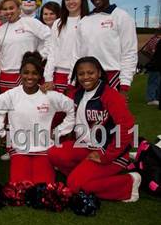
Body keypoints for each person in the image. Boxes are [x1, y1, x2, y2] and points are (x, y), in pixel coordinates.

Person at [48, 56, 141, 202]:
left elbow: (126, 127)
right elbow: (61, 111)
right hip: (86, 146)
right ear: (76, 76)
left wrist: (106, 155)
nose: (86, 77)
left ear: (98, 73)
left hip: (111, 152)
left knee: (73, 185)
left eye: (90, 73)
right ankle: (84, 176)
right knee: (55, 153)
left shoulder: (110, 95)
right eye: (81, 74)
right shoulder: (76, 94)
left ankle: (129, 183)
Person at [0, 52, 75, 184]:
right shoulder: (11, 95)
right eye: (26, 72)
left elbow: (72, 108)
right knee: (20, 189)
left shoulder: (49, 95)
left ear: (40, 76)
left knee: (44, 189)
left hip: (44, 149)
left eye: (34, 73)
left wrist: (59, 132)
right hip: (19, 150)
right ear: (20, 74)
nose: (30, 77)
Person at [70, 0, 138, 96]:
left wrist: (124, 85)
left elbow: (129, 53)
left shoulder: (121, 17)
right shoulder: (84, 21)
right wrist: (72, 81)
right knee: (86, 115)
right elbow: (76, 54)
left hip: (111, 78)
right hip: (86, 79)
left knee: (113, 115)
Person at [0, 0, 51, 93]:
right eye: (5, 9)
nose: (8, 11)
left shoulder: (31, 22)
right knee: (8, 107)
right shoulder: (0, 30)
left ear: (18, 9)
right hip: (6, 76)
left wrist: (40, 56)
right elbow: (0, 55)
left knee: (28, 106)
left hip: (27, 74)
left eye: (11, 8)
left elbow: (50, 37)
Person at [43, 0, 89, 93]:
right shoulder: (58, 23)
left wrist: (72, 80)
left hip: (80, 75)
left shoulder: (88, 21)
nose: (71, 2)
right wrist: (48, 78)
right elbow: (52, 50)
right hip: (58, 75)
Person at [142, 30, 161, 105]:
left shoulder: (152, 39)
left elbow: (148, 51)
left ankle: (155, 97)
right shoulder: (157, 40)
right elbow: (154, 51)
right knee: (154, 82)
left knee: (156, 81)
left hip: (153, 64)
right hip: (156, 64)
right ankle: (151, 99)